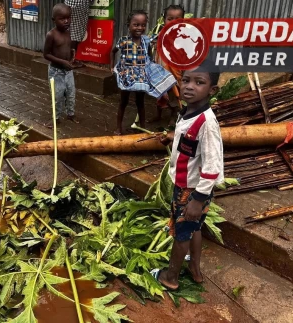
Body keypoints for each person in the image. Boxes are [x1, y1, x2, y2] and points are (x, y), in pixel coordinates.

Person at [152, 62, 223, 290]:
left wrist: (198, 199)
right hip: (188, 187)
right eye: (186, 80)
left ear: (212, 90)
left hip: (191, 190)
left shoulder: (207, 123)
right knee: (194, 228)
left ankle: (170, 277)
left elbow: (213, 164)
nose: (190, 87)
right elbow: (192, 144)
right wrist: (173, 139)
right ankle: (195, 269)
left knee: (181, 233)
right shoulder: (189, 112)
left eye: (199, 82)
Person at [110, 10, 176, 135]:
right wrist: (111, 67)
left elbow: (149, 57)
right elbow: (113, 51)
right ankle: (118, 127)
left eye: (143, 25)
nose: (140, 28)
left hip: (141, 76)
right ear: (128, 24)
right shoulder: (124, 40)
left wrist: (150, 69)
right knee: (123, 102)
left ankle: (142, 127)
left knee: (140, 102)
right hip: (126, 75)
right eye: (136, 24)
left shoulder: (146, 41)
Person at [147, 4, 190, 127]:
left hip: (174, 74)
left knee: (174, 97)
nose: (173, 22)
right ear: (164, 19)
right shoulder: (160, 34)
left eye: (178, 19)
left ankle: (173, 117)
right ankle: (158, 115)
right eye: (170, 19)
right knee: (160, 95)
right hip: (161, 71)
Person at [43, 3, 79, 128]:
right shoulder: (51, 35)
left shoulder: (69, 33)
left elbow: (70, 48)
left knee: (71, 94)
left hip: (68, 72)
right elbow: (46, 55)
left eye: (68, 18)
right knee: (57, 96)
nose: (66, 21)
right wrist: (62, 62)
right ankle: (56, 118)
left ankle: (71, 114)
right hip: (56, 72)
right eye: (62, 19)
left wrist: (72, 57)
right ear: (54, 20)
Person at [64, 0, 91, 68]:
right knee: (75, 33)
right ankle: (71, 61)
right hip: (79, 5)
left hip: (69, 4)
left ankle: (67, 58)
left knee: (70, 30)